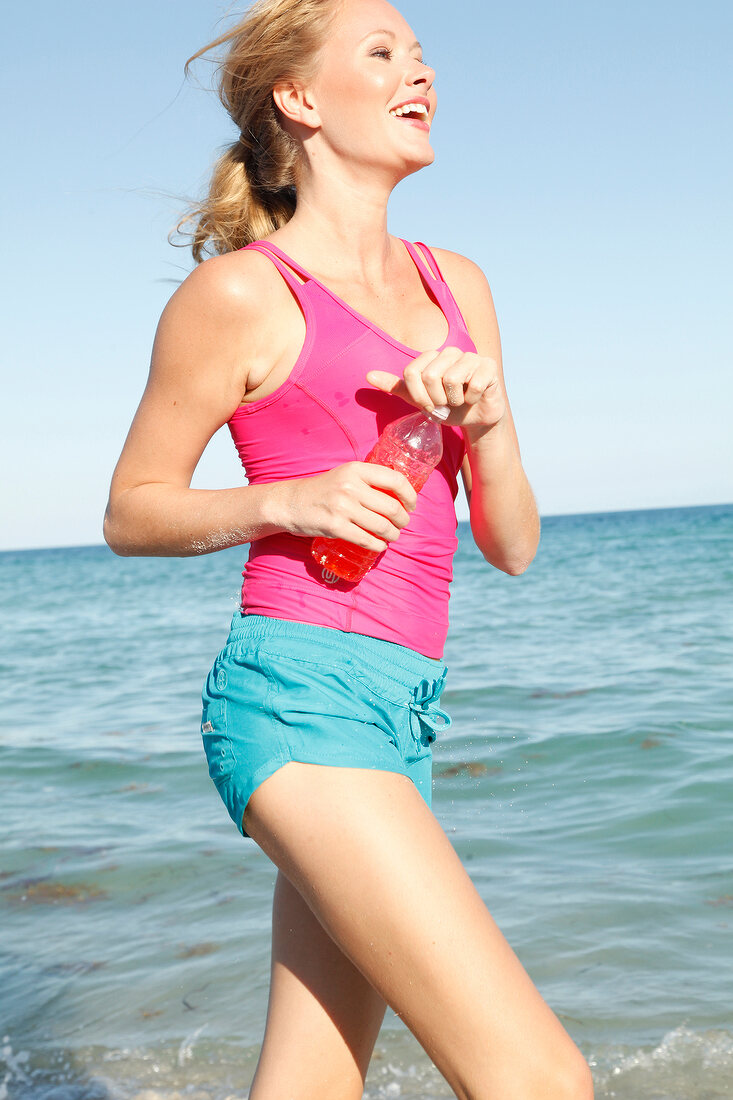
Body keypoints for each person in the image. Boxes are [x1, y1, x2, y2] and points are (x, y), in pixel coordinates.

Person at [104, 0, 594, 1096]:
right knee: (540, 1079)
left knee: (312, 1083)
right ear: (302, 99)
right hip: (294, 697)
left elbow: (510, 544)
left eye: (421, 56)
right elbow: (131, 510)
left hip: (400, 708)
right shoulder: (240, 292)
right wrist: (295, 499)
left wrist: (489, 419)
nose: (419, 73)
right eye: (383, 54)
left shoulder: (454, 284)